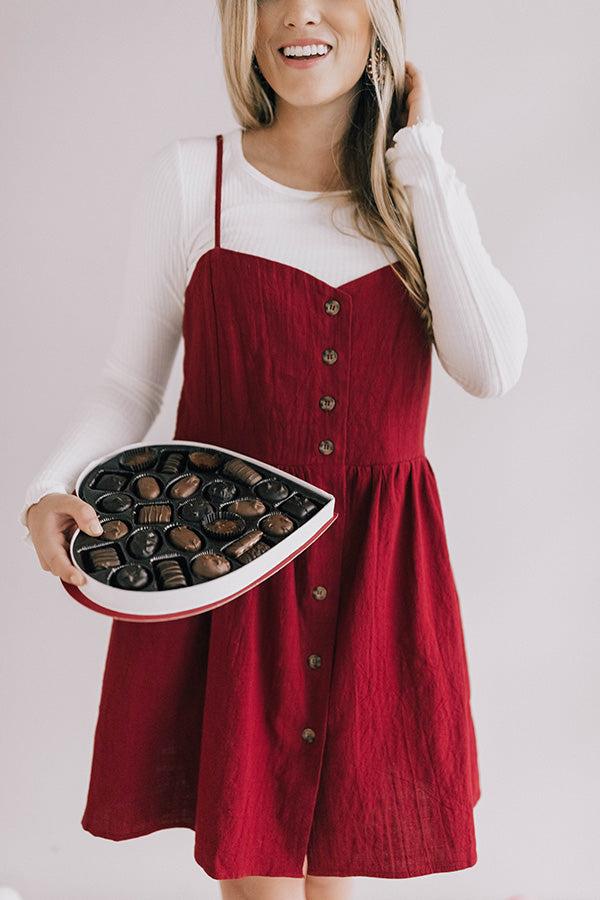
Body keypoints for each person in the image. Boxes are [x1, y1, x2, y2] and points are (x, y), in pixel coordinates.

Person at [21, 1, 528, 898]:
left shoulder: (420, 195)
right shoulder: (193, 181)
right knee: (254, 881)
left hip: (381, 584)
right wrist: (50, 486)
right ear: (244, 24)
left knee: (342, 877)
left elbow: (488, 367)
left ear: (382, 19)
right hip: (233, 576)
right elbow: (128, 383)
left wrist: (419, 156)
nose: (300, 13)